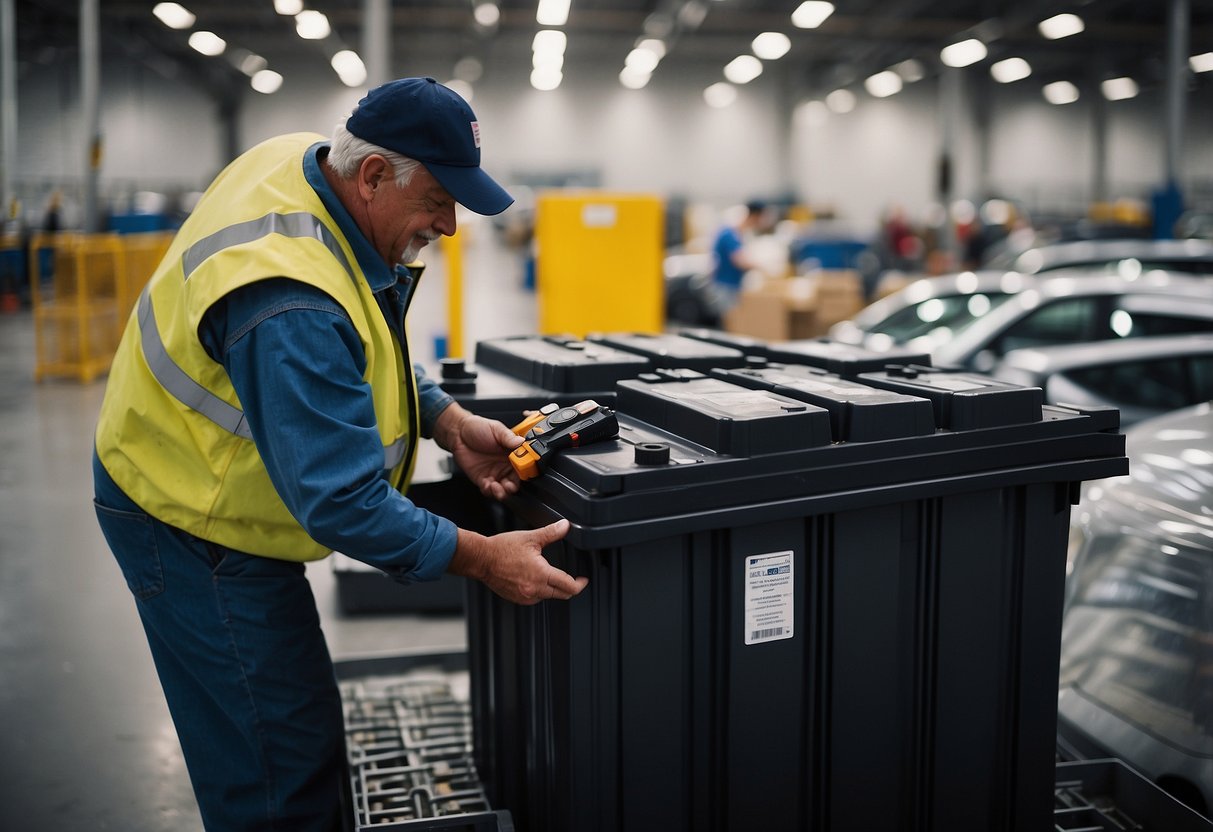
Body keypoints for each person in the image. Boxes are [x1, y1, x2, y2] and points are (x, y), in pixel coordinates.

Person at [91, 77, 587, 832]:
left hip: (209, 485)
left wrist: (447, 419)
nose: (450, 226)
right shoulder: (287, 300)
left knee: (293, 732)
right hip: (188, 515)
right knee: (280, 765)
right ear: (373, 176)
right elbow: (342, 500)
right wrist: (484, 558)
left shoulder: (302, 165)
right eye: (438, 202)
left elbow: (358, 348)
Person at [710, 199, 768, 310]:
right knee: (728, 321)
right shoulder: (730, 234)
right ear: (754, 216)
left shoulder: (736, 233)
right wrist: (762, 267)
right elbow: (739, 260)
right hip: (726, 286)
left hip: (730, 285)